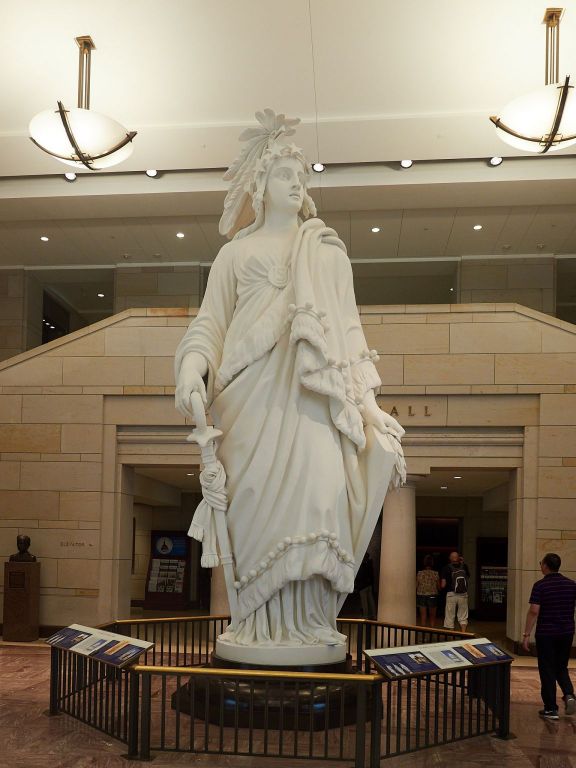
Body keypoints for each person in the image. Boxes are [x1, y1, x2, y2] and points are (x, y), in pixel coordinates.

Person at [174, 109, 406, 659]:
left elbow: (349, 334)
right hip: (248, 401)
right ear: (260, 184)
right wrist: (190, 368)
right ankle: (256, 628)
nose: (296, 182)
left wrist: (371, 408)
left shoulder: (325, 252)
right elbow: (210, 324)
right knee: (253, 505)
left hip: (311, 402)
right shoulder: (235, 254)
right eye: (283, 173)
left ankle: (310, 625)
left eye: (300, 174)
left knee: (320, 497)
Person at [522, 553, 576, 720]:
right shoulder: (572, 585)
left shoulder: (540, 585)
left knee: (547, 669)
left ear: (545, 565)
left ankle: (551, 708)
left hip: (546, 633)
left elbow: (534, 611)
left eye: (541, 563)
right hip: (566, 632)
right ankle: (569, 694)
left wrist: (526, 634)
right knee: (561, 666)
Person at [441, 551, 469, 633]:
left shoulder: (446, 568)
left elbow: (443, 584)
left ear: (450, 558)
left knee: (450, 615)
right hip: (463, 594)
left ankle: (452, 633)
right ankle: (463, 633)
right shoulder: (464, 566)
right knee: (463, 615)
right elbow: (467, 577)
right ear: (458, 558)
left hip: (451, 594)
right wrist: (462, 563)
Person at [416, 555, 439, 627]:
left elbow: (416, 585)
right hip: (432, 595)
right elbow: (438, 586)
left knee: (423, 616)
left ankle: (423, 634)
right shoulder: (435, 573)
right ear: (432, 563)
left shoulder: (419, 573)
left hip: (421, 595)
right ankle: (432, 631)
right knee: (432, 616)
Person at [355, 552, 376, 619]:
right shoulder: (369, 563)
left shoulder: (361, 565)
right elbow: (372, 575)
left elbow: (359, 576)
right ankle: (373, 615)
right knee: (371, 600)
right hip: (369, 585)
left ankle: (365, 616)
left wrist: (357, 584)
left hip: (362, 585)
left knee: (364, 602)